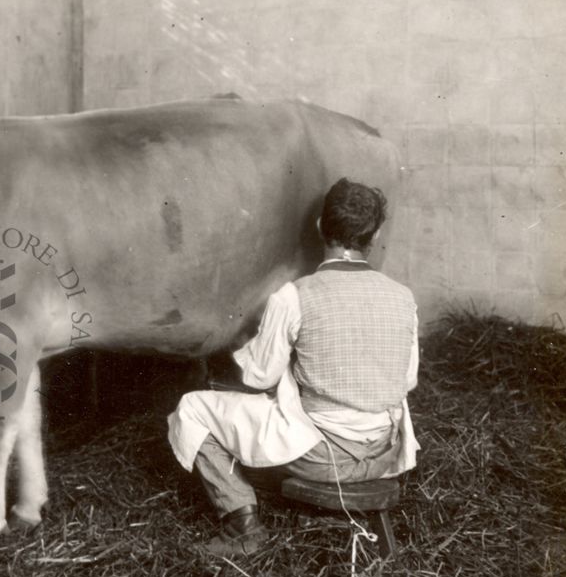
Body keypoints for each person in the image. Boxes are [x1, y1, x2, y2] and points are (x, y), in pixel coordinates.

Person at [168, 178, 419, 557]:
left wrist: (244, 348)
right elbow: (408, 380)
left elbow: (259, 376)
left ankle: (242, 525)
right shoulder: (404, 298)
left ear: (320, 226)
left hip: (323, 457)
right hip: (384, 453)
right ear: (377, 233)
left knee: (191, 408)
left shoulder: (294, 296)